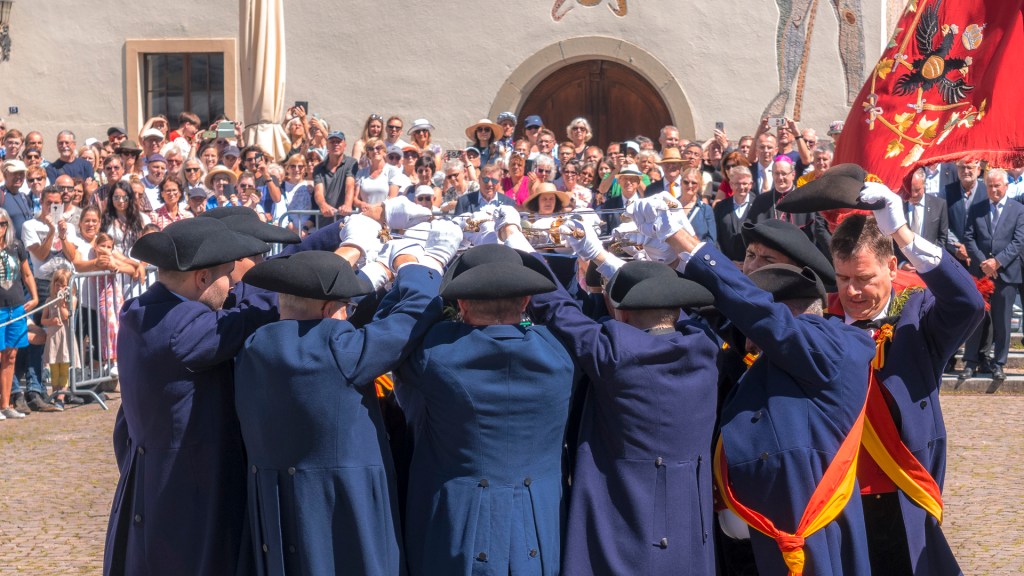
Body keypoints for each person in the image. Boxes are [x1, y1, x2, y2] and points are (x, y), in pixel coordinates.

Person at [633, 193, 876, 575]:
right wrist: (656, 262)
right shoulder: (743, 339)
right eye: (750, 255)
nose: (750, 333)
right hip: (734, 536)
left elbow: (764, 317)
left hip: (796, 533)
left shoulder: (836, 344)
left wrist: (686, 241)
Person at [785, 168, 985, 574]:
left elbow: (968, 303)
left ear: (892, 267)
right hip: (835, 495)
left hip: (898, 490)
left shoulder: (916, 316)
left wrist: (904, 234)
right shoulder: (821, 322)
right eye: (842, 279)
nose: (853, 292)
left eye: (864, 279)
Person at [234, 223, 460, 575]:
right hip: (341, 504)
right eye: (345, 308)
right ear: (327, 310)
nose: (348, 317)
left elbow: (380, 331)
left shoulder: (254, 346)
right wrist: (423, 263)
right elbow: (415, 314)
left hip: (281, 502)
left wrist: (384, 281)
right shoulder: (343, 350)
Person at [522, 218, 720, 575]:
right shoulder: (705, 347)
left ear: (621, 312)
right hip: (688, 527)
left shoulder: (614, 352)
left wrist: (522, 252)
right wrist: (605, 259)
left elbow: (558, 310)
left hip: (620, 528)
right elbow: (688, 313)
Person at [103, 217, 277, 576]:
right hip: (187, 496)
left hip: (155, 486)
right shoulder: (185, 329)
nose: (232, 286)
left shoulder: (138, 309)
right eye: (228, 275)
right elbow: (255, 313)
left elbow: (232, 305)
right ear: (201, 279)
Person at [395, 241, 576, 576]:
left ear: (461, 303)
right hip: (538, 524)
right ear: (525, 301)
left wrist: (416, 267)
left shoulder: (435, 353)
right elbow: (533, 326)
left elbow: (397, 328)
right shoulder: (560, 354)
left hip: (456, 523)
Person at [961, 168, 1024, 382]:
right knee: (977, 317)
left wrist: (998, 262)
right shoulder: (977, 208)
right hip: (981, 274)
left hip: (1007, 274)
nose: (994, 189)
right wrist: (984, 263)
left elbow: (1018, 241)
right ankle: (970, 362)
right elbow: (968, 238)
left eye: (997, 185)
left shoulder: (1018, 210)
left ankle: (999, 363)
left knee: (1002, 321)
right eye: (990, 186)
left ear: (1006, 186)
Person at [0, 207, 38, 421]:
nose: (0, 228)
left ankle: (5, 404)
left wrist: (34, 297)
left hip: (15, 306)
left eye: (3, 224)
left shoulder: (16, 246)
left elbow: (26, 273)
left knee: (11, 355)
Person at [41, 266, 78, 410]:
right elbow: (43, 319)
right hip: (53, 338)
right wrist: (50, 321)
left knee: (64, 368)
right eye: (58, 285)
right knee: (54, 368)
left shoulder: (72, 300)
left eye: (64, 285)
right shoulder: (49, 300)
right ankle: (56, 393)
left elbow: (66, 316)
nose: (61, 288)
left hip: (65, 338)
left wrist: (62, 302)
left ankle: (61, 397)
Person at [102, 181, 151, 255]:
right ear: (111, 199)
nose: (121, 201)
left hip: (137, 260)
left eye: (125, 198)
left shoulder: (143, 219)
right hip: (114, 260)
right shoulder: (104, 219)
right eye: (116, 197)